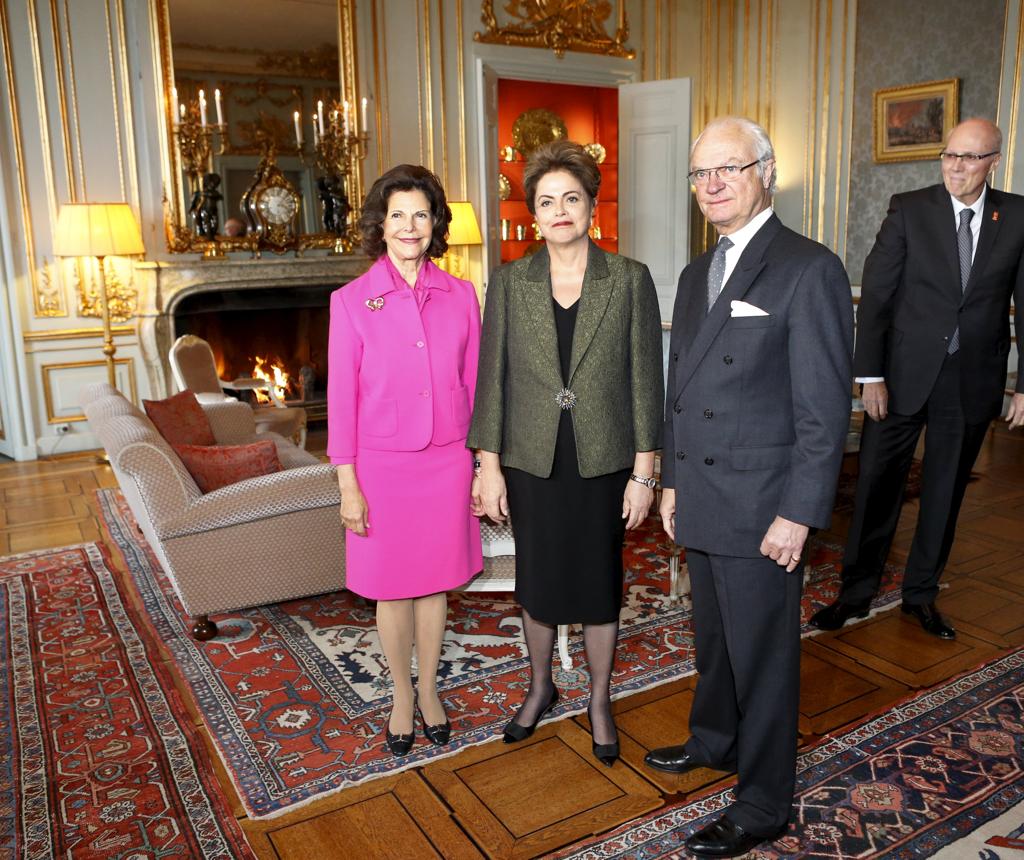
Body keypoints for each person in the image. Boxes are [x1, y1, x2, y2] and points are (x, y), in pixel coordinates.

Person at [650, 117, 853, 857]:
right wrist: (672, 481)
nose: (712, 185)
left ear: (765, 171)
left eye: (728, 169)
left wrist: (799, 512)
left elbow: (824, 410)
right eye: (701, 173)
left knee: (764, 659)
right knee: (713, 639)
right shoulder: (694, 274)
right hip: (701, 494)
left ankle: (764, 802)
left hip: (764, 505)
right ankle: (715, 739)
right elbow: (679, 389)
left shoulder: (809, 268)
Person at [468, 139, 663, 768]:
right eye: (547, 201)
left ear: (591, 208)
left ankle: (600, 700)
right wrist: (488, 467)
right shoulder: (509, 282)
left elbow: (645, 381)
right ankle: (540, 687)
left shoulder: (628, 279)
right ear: (533, 214)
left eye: (571, 199)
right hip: (531, 461)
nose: (560, 211)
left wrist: (644, 472)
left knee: (600, 582)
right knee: (540, 581)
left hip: (603, 462)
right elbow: (491, 381)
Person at [810, 118, 1024, 640]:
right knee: (876, 487)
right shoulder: (909, 209)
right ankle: (855, 592)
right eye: (950, 155)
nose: (956, 166)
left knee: (945, 492)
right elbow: (877, 295)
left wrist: (1023, 385)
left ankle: (921, 595)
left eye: (970, 157)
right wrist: (871, 375)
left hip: (972, 378)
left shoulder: (1017, 215)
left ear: (994, 162)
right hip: (901, 376)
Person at [327, 164, 483, 756]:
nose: (410, 226)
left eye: (421, 214)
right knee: (392, 587)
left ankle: (430, 690)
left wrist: (482, 465)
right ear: (381, 224)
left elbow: (477, 385)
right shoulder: (349, 302)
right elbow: (341, 400)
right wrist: (348, 484)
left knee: (436, 583)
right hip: (381, 467)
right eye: (398, 215)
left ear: (435, 222)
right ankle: (399, 694)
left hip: (447, 460)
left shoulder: (462, 295)